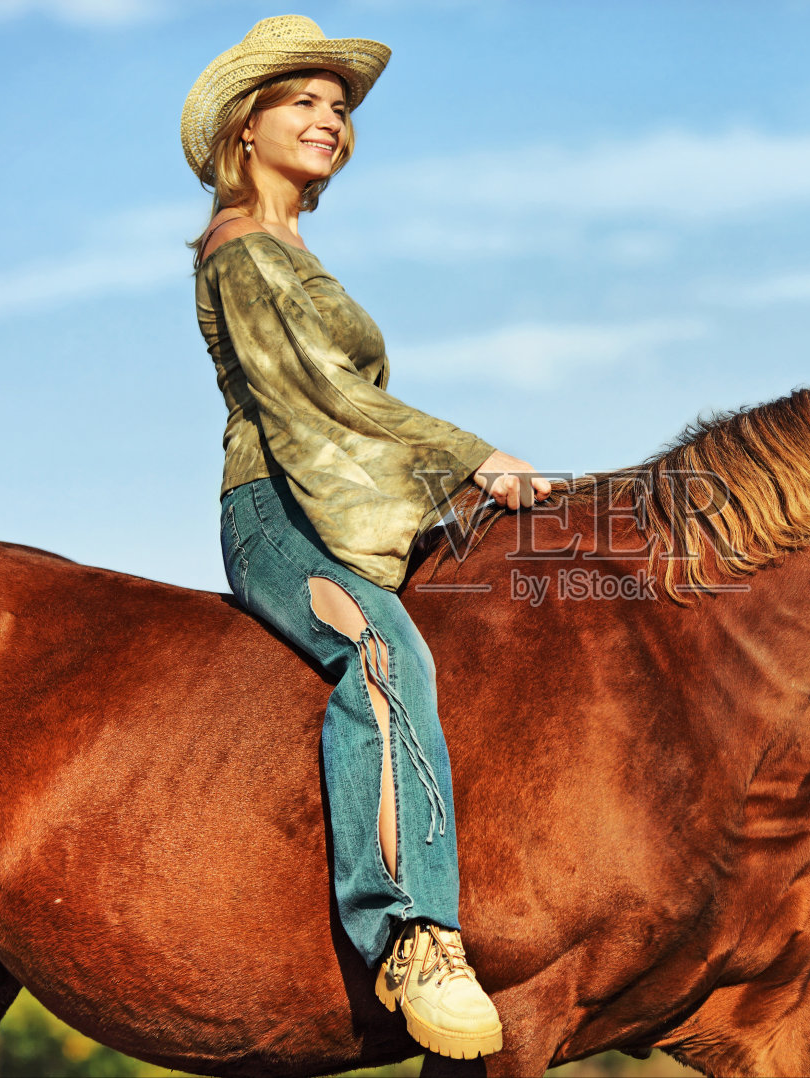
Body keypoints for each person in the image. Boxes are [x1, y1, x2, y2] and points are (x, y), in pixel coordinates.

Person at [180, 15, 550, 1061]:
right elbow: (313, 401)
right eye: (302, 101)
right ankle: (410, 935)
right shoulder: (242, 250)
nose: (328, 119)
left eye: (337, 108)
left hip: (332, 495)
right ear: (244, 129)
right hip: (276, 517)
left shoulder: (298, 250)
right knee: (379, 650)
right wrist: (469, 455)